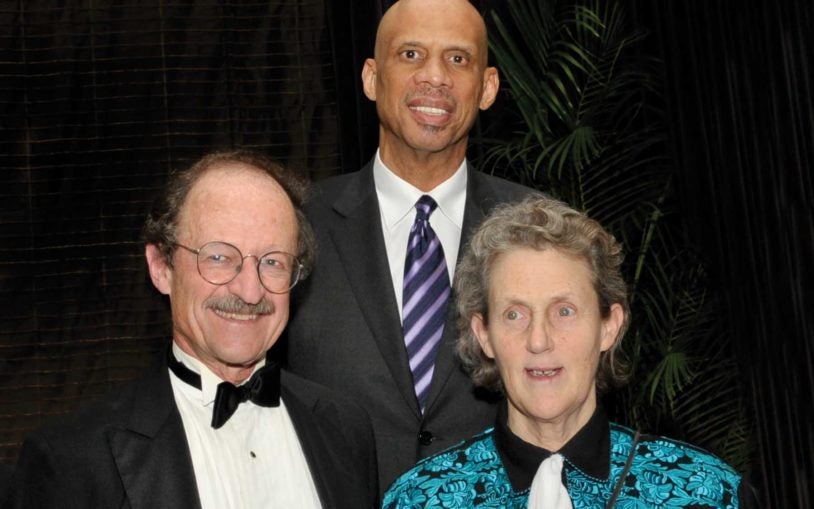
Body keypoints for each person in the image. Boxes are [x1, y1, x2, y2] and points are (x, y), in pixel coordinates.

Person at [3, 151, 378, 509]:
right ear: (161, 267)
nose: (250, 291)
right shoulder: (75, 458)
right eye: (218, 257)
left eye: (273, 262)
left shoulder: (344, 427)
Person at [285, 0, 532, 495]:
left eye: (458, 59)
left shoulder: (537, 229)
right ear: (371, 78)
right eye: (412, 54)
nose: (435, 77)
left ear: (487, 88)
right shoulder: (294, 224)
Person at [383, 195, 757, 508]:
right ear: (484, 335)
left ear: (609, 326)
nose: (539, 339)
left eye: (564, 311)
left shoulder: (707, 493)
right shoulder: (420, 499)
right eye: (514, 314)